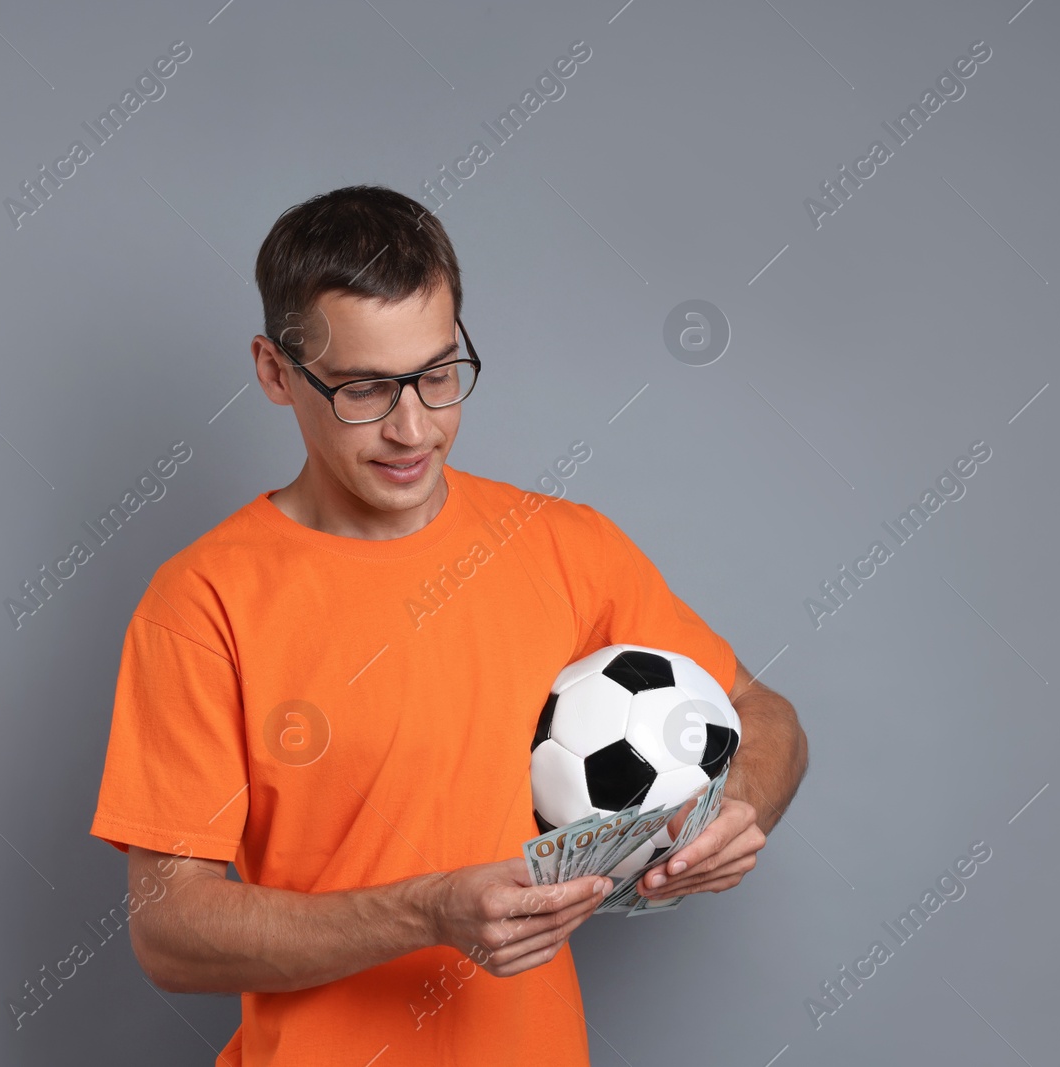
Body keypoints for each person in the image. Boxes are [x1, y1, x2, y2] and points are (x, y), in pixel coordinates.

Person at [88, 184, 808, 1066]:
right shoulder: (204, 600)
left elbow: (763, 713)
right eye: (363, 389)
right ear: (277, 372)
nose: (413, 427)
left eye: (436, 374)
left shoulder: (564, 546)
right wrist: (425, 912)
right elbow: (167, 928)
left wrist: (734, 812)